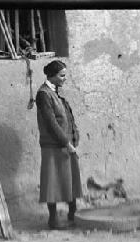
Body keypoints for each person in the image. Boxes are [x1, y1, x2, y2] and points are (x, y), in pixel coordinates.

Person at [35, 60, 82, 230]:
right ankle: (53, 220)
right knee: (52, 182)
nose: (64, 79)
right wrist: (65, 142)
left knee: (71, 180)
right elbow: (51, 122)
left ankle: (72, 214)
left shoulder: (55, 93)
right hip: (53, 146)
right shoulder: (43, 94)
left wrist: (74, 137)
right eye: (62, 75)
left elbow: (67, 117)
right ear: (52, 76)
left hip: (66, 144)